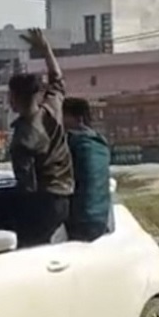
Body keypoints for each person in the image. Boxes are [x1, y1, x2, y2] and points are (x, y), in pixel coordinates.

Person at [8, 28, 74, 247]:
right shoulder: (51, 109)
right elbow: (58, 80)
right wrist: (46, 49)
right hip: (64, 197)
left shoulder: (23, 138)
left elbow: (26, 187)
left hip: (44, 203)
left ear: (14, 98)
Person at [61, 98, 112, 241]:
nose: (61, 122)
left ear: (79, 119)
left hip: (80, 219)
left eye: (64, 117)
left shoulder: (72, 143)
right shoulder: (100, 142)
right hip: (102, 218)